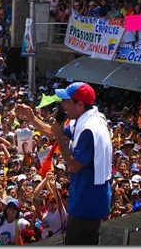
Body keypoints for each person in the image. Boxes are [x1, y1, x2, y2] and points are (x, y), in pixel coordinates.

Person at [16, 82, 112, 244]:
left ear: (80, 104)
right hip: (85, 194)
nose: (63, 105)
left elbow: (74, 165)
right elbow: (53, 132)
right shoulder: (86, 118)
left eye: (66, 101)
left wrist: (60, 136)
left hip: (88, 199)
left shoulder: (90, 129)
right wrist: (32, 119)